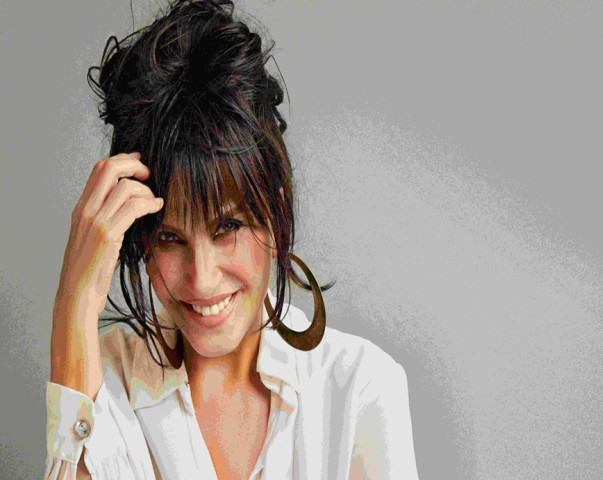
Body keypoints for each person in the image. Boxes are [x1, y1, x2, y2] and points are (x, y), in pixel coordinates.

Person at [45, 1, 418, 478]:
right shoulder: (102, 379)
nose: (201, 279)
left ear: (276, 211)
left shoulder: (356, 389)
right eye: (169, 238)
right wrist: (72, 307)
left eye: (227, 228)